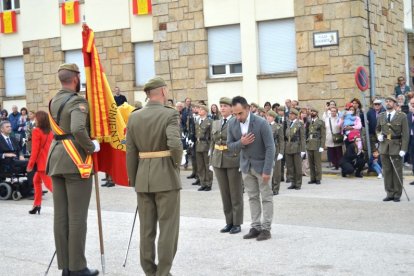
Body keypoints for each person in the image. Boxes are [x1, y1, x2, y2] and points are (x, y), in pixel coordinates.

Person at [47, 63, 100, 276]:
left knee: (61, 216)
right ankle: (78, 267)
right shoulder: (77, 101)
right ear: (76, 79)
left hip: (56, 159)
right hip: (75, 161)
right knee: (77, 216)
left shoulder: (54, 100)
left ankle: (66, 266)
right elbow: (78, 129)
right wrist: (92, 146)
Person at [126, 76, 182, 276]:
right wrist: (176, 163)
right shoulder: (170, 114)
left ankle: (150, 271)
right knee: (168, 228)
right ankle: (163, 273)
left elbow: (130, 151)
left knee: (146, 230)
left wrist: (134, 179)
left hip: (143, 178)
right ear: (164, 92)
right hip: (166, 176)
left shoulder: (134, 116)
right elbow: (175, 144)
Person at [228, 96, 275, 241]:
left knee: (266, 198)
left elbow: (270, 147)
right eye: (234, 114)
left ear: (248, 108)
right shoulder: (232, 124)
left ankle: (266, 229)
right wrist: (241, 142)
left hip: (262, 167)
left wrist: (267, 170)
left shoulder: (261, 123)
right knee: (252, 197)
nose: (237, 117)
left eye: (240, 113)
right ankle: (256, 227)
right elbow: (230, 146)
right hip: (246, 167)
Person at [210, 97, 243, 234]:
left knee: (235, 193)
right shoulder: (216, 123)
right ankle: (229, 221)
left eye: (225, 106)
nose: (222, 108)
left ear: (231, 108)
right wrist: (211, 160)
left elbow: (242, 142)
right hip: (219, 160)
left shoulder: (237, 122)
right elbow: (213, 142)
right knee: (224, 193)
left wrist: (243, 161)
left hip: (233, 159)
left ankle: (237, 223)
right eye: (221, 105)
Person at [376, 96, 409, 202]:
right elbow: (377, 129)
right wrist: (379, 135)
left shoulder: (402, 116)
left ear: (395, 104)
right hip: (384, 146)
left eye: (390, 101)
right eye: (386, 101)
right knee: (387, 171)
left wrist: (403, 149)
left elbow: (405, 134)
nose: (388, 103)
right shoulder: (381, 116)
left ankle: (397, 194)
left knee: (397, 171)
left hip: (396, 146)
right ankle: (389, 193)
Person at [27, 111, 53, 214]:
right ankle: (37, 205)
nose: (35, 119)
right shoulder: (50, 132)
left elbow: (35, 150)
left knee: (50, 186)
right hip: (48, 161)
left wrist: (30, 164)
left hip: (41, 163)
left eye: (36, 118)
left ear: (40, 120)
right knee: (36, 181)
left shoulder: (36, 131)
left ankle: (64, 205)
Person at [285, 109, 306, 189]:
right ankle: (293, 182)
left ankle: (298, 183)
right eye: (289, 114)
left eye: (292, 114)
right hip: (289, 147)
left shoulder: (299, 124)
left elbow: (303, 138)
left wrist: (303, 150)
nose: (290, 115)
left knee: (297, 167)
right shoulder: (289, 123)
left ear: (295, 115)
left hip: (297, 147)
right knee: (290, 167)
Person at [266, 110, 284, 195]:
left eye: (269, 116)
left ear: (273, 117)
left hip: (276, 150)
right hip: (266, 151)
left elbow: (281, 141)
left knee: (276, 171)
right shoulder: (265, 126)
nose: (268, 118)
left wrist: (281, 152)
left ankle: (276, 188)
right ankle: (269, 188)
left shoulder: (278, 127)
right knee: (268, 171)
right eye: (267, 116)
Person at [195, 105, 213, 191]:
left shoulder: (209, 121)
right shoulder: (197, 120)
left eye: (201, 109)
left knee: (207, 165)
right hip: (198, 145)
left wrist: (211, 147)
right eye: (199, 109)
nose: (199, 110)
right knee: (200, 166)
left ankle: (208, 183)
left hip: (206, 145)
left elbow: (212, 136)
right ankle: (203, 183)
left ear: (205, 111)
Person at [306, 107, 326, 184]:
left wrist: (322, 146)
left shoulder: (320, 122)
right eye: (311, 111)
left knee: (317, 163)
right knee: (311, 163)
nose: (312, 113)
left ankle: (318, 178)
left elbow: (323, 135)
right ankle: (312, 178)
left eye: (314, 112)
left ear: (317, 113)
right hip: (310, 144)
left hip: (317, 144)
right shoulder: (310, 122)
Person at [408, 97, 414, 185]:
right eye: (412, 104)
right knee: (413, 159)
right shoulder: (408, 115)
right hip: (411, 139)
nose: (413, 105)